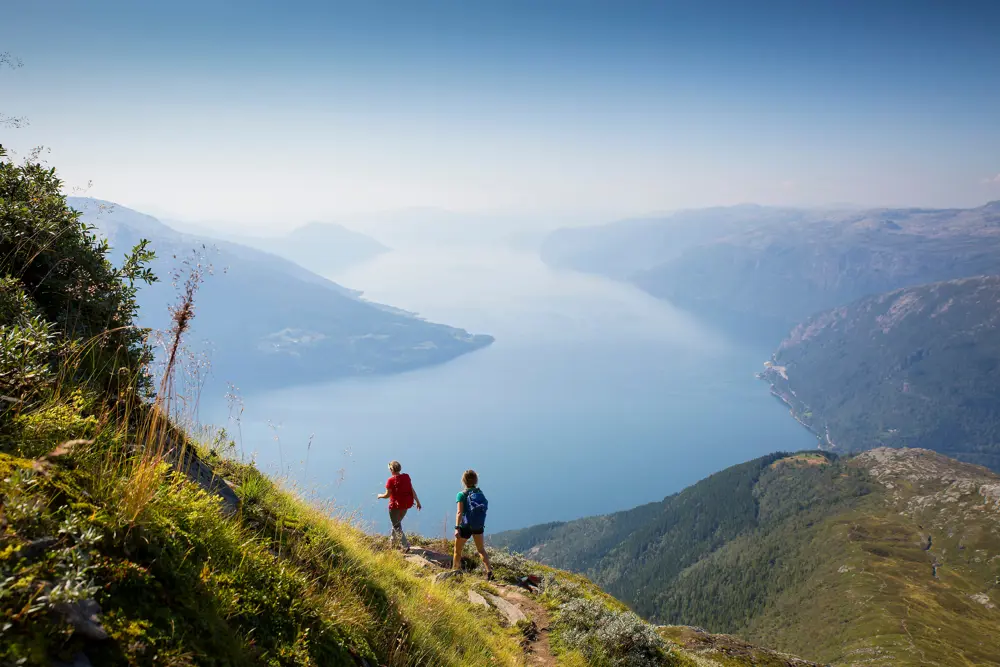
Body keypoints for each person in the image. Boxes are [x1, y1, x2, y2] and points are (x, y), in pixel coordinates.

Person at [453, 468, 493, 580]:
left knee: (457, 551)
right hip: (478, 525)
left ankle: (455, 572)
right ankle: (489, 572)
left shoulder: (461, 495)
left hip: (465, 526)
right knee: (481, 550)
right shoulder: (480, 493)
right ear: (476, 480)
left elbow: (459, 512)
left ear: (464, 481)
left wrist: (457, 528)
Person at [377, 460, 421, 551]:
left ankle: (405, 545)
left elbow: (387, 495)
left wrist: (379, 496)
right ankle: (392, 543)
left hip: (395, 507)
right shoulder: (406, 477)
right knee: (396, 524)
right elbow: (411, 490)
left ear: (391, 470)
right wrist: (417, 501)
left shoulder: (390, 480)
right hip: (405, 505)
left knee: (396, 526)